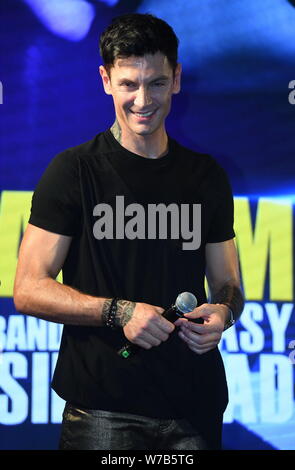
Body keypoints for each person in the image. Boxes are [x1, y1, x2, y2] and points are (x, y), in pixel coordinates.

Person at [13, 13, 244, 450]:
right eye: (128, 84)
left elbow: (228, 283)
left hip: (195, 406)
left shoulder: (207, 176)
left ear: (176, 78)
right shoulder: (73, 172)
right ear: (105, 80)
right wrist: (120, 312)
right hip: (104, 412)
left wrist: (225, 315)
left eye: (156, 83)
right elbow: (28, 288)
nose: (143, 100)